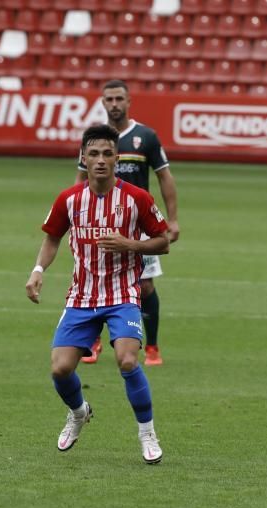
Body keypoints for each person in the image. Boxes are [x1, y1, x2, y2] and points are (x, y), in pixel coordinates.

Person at [27, 124, 170, 464]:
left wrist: (131, 244)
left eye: (108, 154)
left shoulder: (137, 198)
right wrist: (37, 271)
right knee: (60, 369)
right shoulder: (69, 199)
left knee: (127, 359)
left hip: (123, 294)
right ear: (83, 159)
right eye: (94, 154)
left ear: (117, 158)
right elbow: (52, 238)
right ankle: (78, 412)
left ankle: (147, 432)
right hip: (82, 297)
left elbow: (163, 241)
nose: (101, 160)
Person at [76, 79, 180, 366]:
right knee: (95, 281)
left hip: (138, 226)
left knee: (145, 286)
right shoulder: (94, 139)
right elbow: (80, 181)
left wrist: (172, 220)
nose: (114, 104)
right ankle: (93, 343)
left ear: (129, 101)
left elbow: (165, 178)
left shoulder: (145, 136)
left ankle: (153, 346)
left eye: (119, 99)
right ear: (102, 102)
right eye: (109, 99)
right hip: (99, 224)